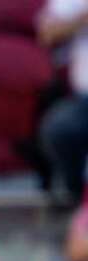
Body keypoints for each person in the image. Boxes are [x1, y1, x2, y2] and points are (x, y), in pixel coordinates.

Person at [38, 0, 88, 201]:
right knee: (61, 128)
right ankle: (77, 199)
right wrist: (82, 19)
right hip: (84, 100)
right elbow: (47, 33)